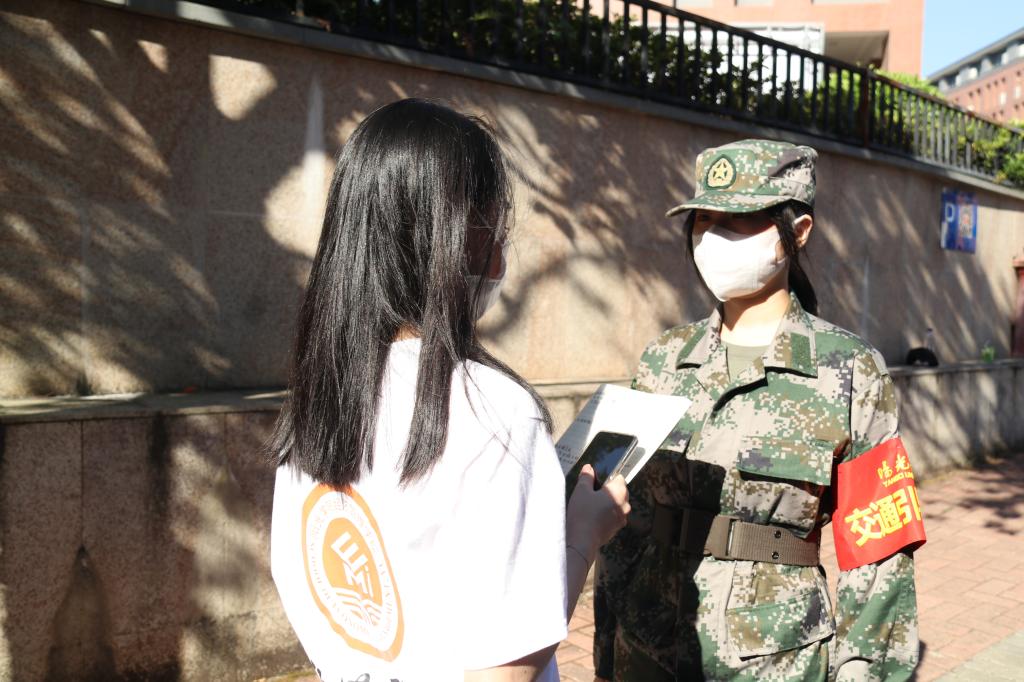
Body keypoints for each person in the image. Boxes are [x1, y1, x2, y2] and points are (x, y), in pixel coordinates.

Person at [267, 98, 628, 682]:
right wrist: (583, 534)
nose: (502, 257)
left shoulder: (320, 398)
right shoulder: (497, 414)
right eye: (494, 229)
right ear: (454, 237)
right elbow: (506, 669)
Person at [593, 139, 926, 681]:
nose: (713, 237)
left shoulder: (849, 370)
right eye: (704, 219)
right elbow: (624, 522)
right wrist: (607, 651)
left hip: (775, 659)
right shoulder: (663, 359)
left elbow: (879, 553)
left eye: (739, 220)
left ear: (799, 231)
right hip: (647, 648)